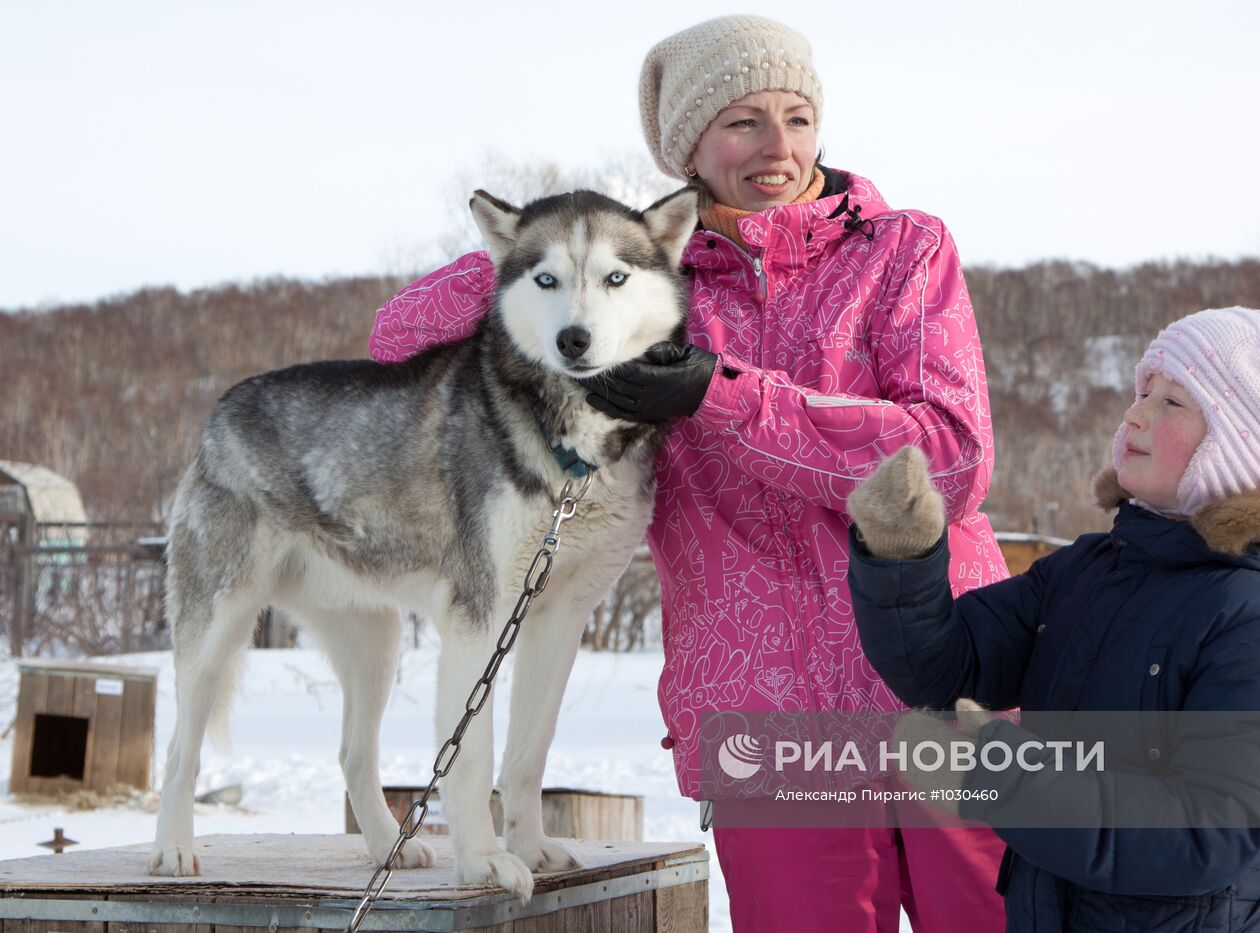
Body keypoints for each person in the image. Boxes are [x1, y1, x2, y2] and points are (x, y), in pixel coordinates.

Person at [369, 15, 1009, 931]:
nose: (778, 148)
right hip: (765, 706)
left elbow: (947, 463)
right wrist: (552, 247)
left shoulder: (901, 250)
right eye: (743, 121)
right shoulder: (648, 282)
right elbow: (396, 338)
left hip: (948, 685)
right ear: (689, 146)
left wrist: (725, 393)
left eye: (797, 116)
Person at [845, 306, 1260, 932]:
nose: (1135, 413)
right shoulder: (1095, 567)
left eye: (1173, 404)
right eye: (1144, 391)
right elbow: (950, 666)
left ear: (1249, 448)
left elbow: (1202, 833)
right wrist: (902, 557)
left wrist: (993, 772)